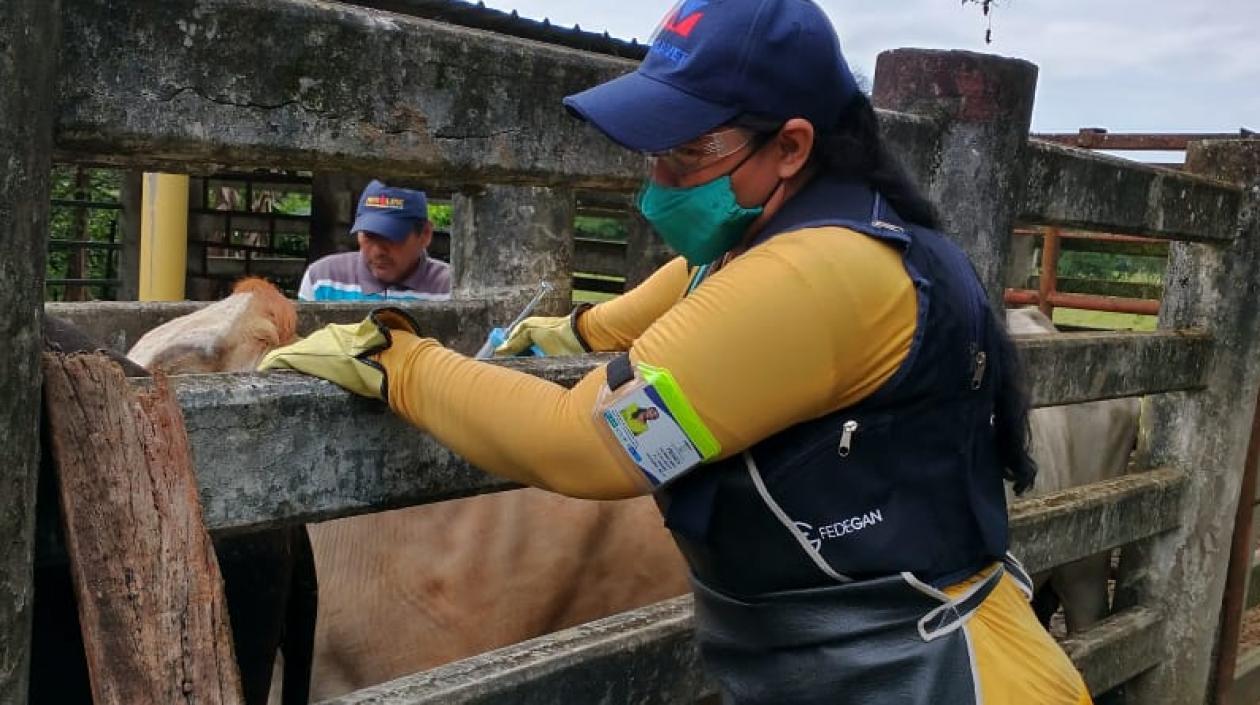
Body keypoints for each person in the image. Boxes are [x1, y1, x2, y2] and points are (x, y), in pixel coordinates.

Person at [259, 0, 1091, 702]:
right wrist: (569, 333)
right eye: (654, 149)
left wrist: (395, 360)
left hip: (946, 681)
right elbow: (659, 300)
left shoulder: (822, 278)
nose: (657, 180)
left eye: (688, 152)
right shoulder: (802, 237)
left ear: (791, 146)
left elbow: (582, 439)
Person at [297, 180, 451, 301]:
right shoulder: (321, 279)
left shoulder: (451, 289)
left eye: (391, 236)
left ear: (425, 234)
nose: (378, 251)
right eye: (369, 236)